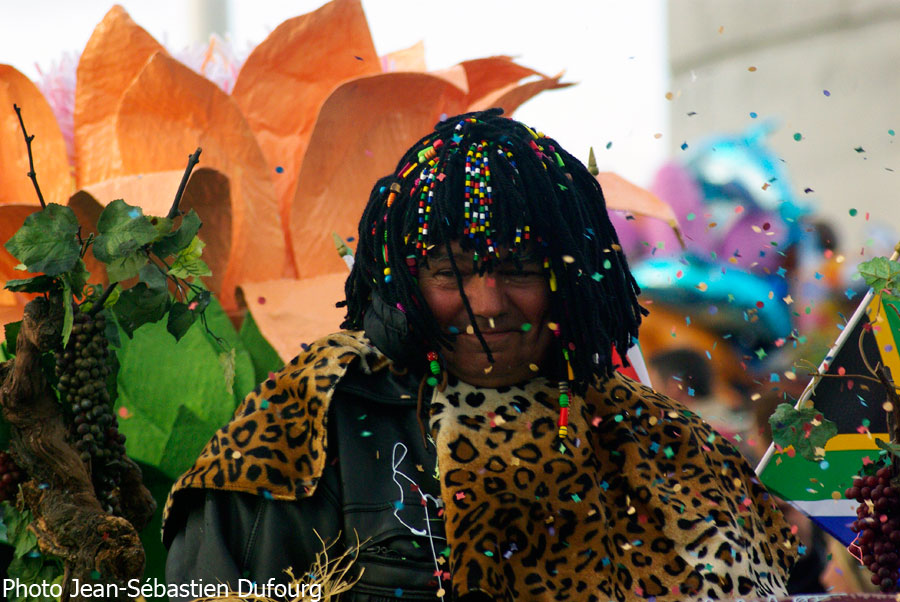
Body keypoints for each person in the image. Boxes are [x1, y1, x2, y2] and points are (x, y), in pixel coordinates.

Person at [163, 109, 798, 602]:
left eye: (518, 267)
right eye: (452, 270)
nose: (487, 303)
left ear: (570, 277)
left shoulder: (657, 438)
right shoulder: (308, 424)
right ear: (406, 279)